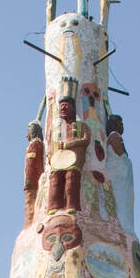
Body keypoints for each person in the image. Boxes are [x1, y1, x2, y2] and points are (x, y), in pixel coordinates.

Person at [48, 83, 91, 214]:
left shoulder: (81, 125)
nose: (63, 107)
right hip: (58, 160)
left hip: (74, 159)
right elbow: (50, 144)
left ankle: (72, 204)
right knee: (55, 180)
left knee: (71, 179)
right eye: (61, 106)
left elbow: (85, 140)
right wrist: (50, 156)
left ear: (73, 108)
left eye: (66, 105)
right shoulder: (56, 127)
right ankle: (54, 205)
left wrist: (69, 145)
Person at [23, 121, 44, 226]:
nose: (27, 134)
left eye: (29, 131)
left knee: (31, 200)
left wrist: (33, 178)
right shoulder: (33, 144)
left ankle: (30, 222)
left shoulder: (36, 144)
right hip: (30, 179)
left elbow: (35, 162)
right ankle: (29, 221)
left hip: (33, 179)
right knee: (29, 201)